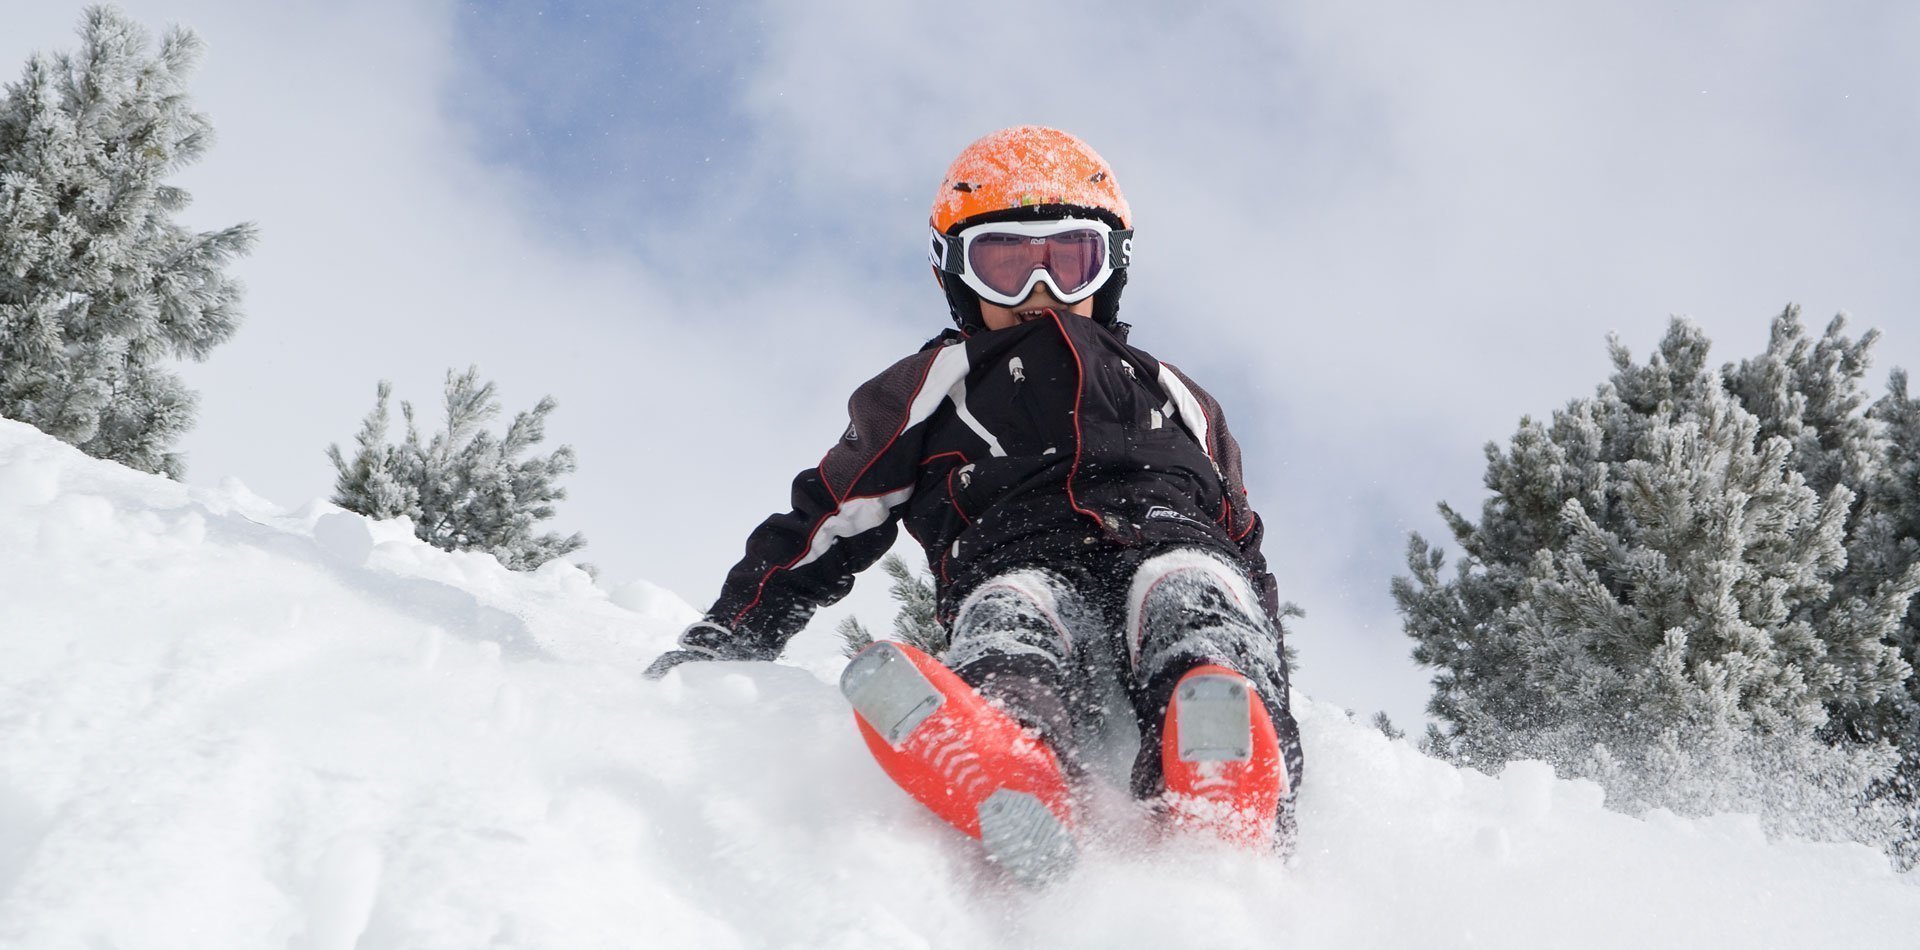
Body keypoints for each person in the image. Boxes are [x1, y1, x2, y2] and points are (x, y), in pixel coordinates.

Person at [645, 126, 1303, 882]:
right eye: (1006, 265)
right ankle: (1010, 763)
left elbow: (1243, 540)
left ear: (1110, 268)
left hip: (1171, 542)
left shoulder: (1178, 392)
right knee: (1008, 618)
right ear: (957, 277)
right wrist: (731, 635)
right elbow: (829, 516)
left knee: (1200, 596)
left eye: (1068, 259)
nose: (1041, 291)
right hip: (1016, 556)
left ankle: (1225, 770)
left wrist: (1266, 650)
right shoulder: (936, 382)